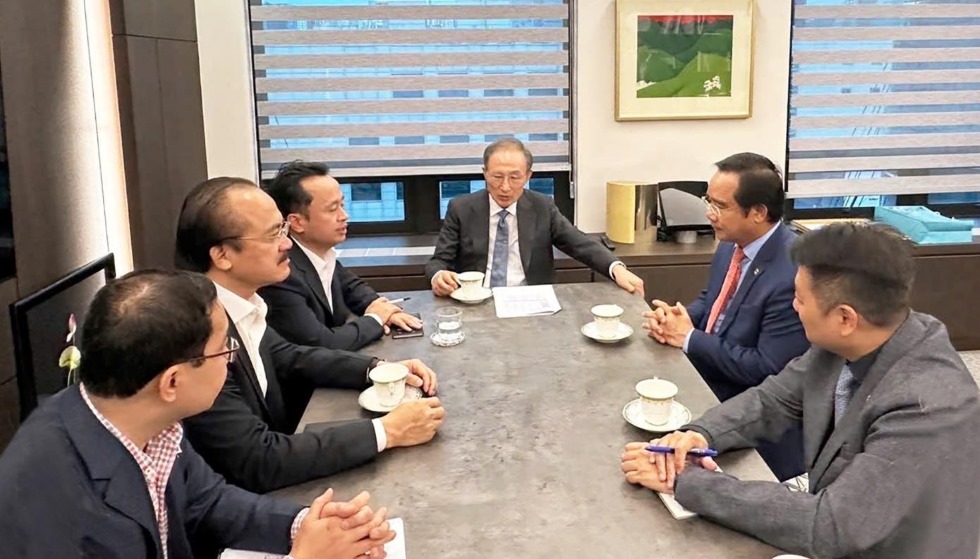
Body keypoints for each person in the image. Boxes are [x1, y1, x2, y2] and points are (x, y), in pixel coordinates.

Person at [622, 223, 980, 559]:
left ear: (845, 318)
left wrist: (687, 483)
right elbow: (773, 400)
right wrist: (699, 434)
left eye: (800, 299)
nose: (793, 307)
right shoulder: (852, 341)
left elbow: (832, 525)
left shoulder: (927, 405)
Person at [0, 270, 395, 559]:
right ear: (172, 381)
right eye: (225, 349)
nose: (232, 360)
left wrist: (313, 527)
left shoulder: (143, 420)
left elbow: (209, 502)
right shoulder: (53, 500)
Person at [175, 177, 446, 493]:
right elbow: (257, 460)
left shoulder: (243, 304)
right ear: (222, 255)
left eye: (283, 230)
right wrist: (386, 431)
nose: (287, 243)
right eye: (273, 234)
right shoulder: (196, 337)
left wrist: (378, 369)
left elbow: (290, 356)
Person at [642, 152, 809, 480]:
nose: (709, 213)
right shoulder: (731, 243)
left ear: (758, 212)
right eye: (708, 200)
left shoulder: (793, 273)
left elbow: (766, 369)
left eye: (720, 206)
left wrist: (688, 338)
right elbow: (713, 299)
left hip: (751, 422)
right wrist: (679, 318)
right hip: (707, 379)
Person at [425, 137, 645, 297]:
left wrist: (616, 269)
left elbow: (580, 244)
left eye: (515, 177)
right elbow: (438, 261)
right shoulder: (461, 208)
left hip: (530, 301)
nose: (505, 187)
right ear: (484, 173)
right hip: (477, 301)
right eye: (497, 177)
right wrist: (439, 277)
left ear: (528, 175)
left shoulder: (542, 206)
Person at [260, 161, 422, 351]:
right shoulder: (281, 273)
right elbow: (322, 343)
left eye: (342, 205)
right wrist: (376, 319)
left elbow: (350, 286)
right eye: (332, 209)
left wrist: (379, 306)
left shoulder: (320, 252)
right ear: (297, 222)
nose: (344, 216)